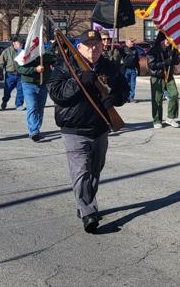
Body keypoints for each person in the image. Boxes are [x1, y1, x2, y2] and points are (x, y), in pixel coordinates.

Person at [47, 29, 129, 233]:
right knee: (80, 171)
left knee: (94, 170)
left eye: (97, 45)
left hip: (100, 127)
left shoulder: (110, 67)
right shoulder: (66, 65)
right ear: (79, 47)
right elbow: (56, 93)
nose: (93, 49)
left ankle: (83, 203)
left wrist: (115, 98)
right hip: (74, 129)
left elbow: (124, 90)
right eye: (89, 45)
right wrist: (77, 82)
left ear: (102, 47)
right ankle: (88, 212)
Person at [17, 49, 57, 141]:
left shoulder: (46, 54)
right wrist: (35, 69)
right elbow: (19, 68)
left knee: (40, 108)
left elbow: (55, 60)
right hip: (28, 84)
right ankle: (33, 131)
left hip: (43, 84)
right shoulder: (24, 53)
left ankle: (37, 130)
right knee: (32, 107)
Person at [147, 32, 180, 128]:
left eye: (170, 39)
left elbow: (176, 61)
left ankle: (171, 117)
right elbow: (151, 65)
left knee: (174, 94)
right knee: (157, 99)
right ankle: (157, 120)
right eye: (167, 39)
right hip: (157, 76)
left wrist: (175, 55)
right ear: (161, 40)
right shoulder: (153, 51)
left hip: (168, 76)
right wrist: (164, 63)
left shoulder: (171, 49)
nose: (169, 41)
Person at [0, 37, 24, 110]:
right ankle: (5, 101)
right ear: (14, 43)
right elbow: (1, 63)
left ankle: (19, 105)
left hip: (20, 75)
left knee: (21, 90)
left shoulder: (22, 52)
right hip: (10, 75)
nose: (21, 44)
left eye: (22, 43)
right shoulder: (7, 51)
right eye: (19, 43)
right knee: (7, 90)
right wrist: (0, 72)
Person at [119, 38, 141, 103]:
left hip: (133, 69)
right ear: (127, 42)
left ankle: (131, 97)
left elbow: (137, 61)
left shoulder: (135, 50)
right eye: (131, 41)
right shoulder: (122, 49)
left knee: (133, 84)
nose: (133, 43)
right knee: (125, 84)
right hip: (125, 69)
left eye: (133, 41)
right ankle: (125, 97)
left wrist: (138, 69)